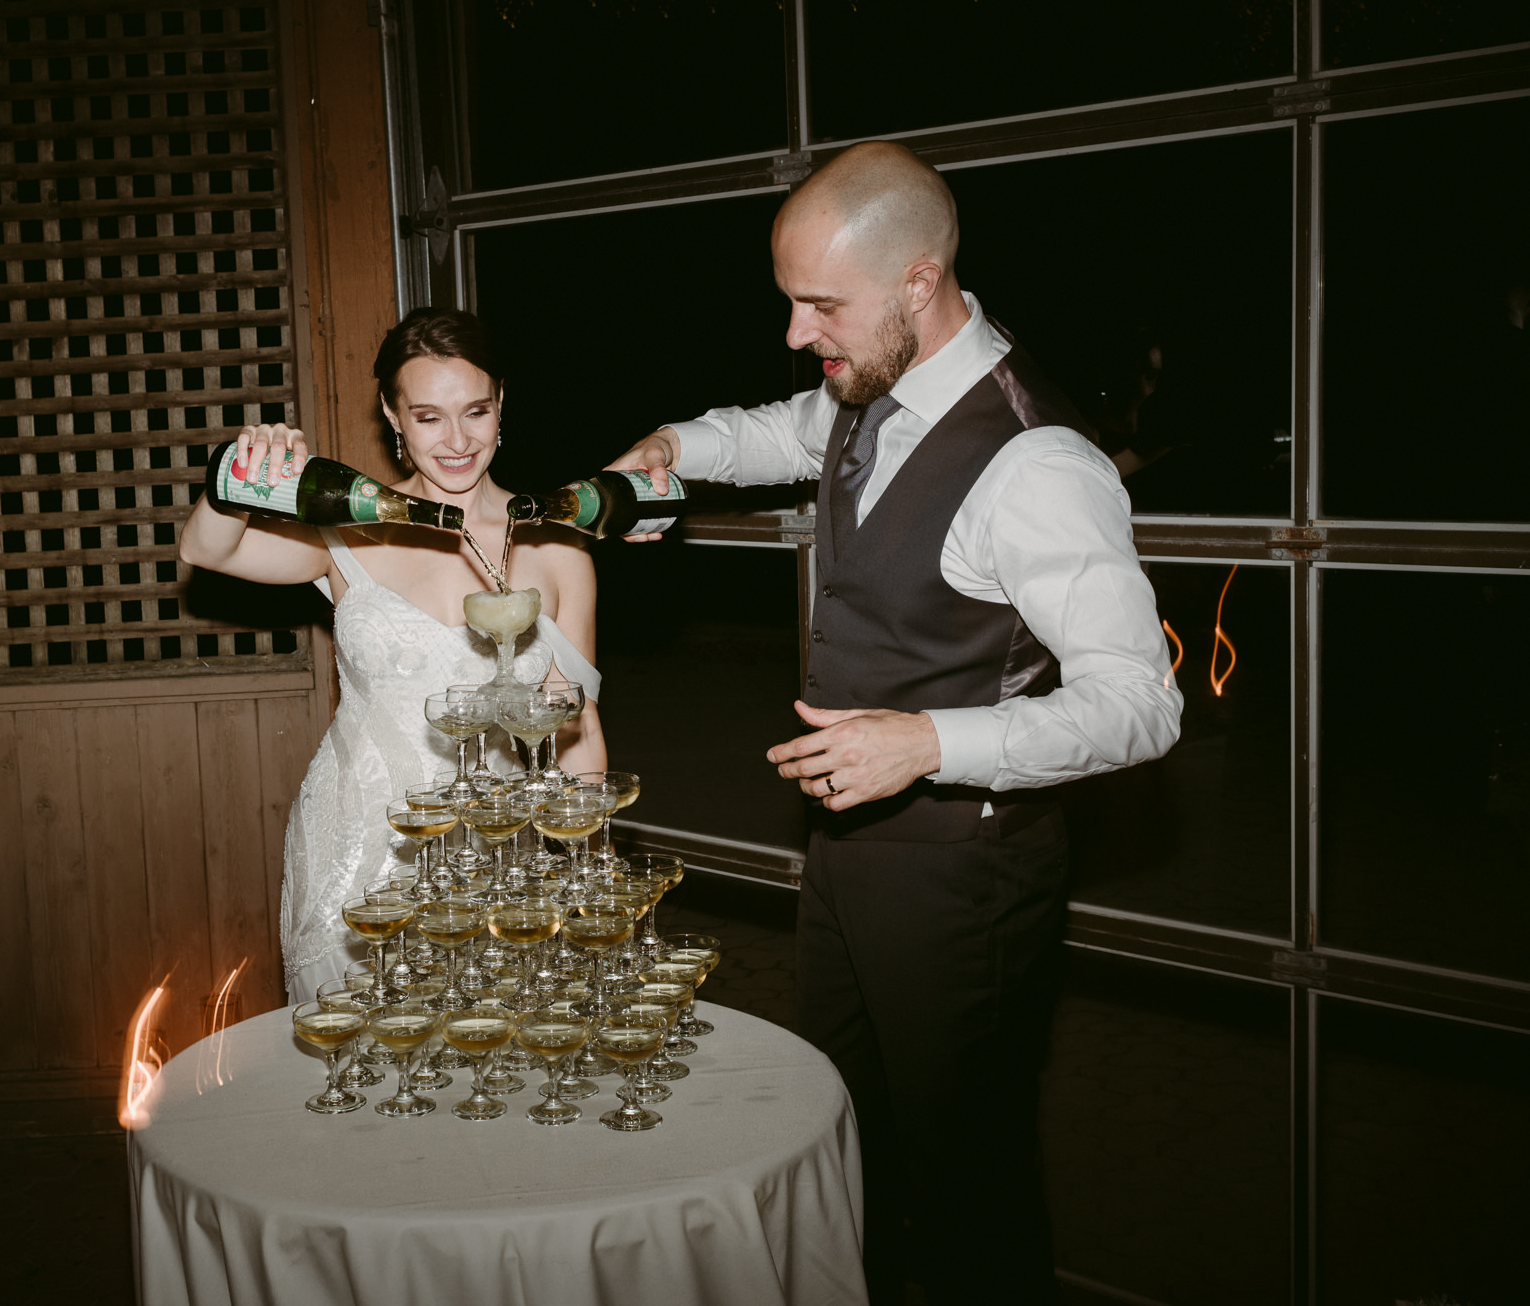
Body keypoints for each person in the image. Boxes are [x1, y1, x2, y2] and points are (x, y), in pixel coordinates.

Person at [607, 142, 1181, 1305]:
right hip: (849, 859)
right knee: (843, 1139)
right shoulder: (862, 387)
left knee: (965, 1183)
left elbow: (1140, 703)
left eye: (818, 304)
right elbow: (766, 432)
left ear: (917, 282)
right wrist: (672, 448)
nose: (794, 332)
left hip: (967, 876)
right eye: (787, 301)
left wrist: (927, 743)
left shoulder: (1035, 461)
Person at [181, 308, 604, 1003]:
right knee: (358, 1068)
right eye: (430, 416)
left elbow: (577, 731)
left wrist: (592, 876)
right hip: (355, 847)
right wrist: (240, 478)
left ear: (502, 404)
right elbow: (205, 549)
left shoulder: (556, 546)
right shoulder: (350, 530)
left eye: (476, 411)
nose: (459, 440)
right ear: (393, 415)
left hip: (495, 855)